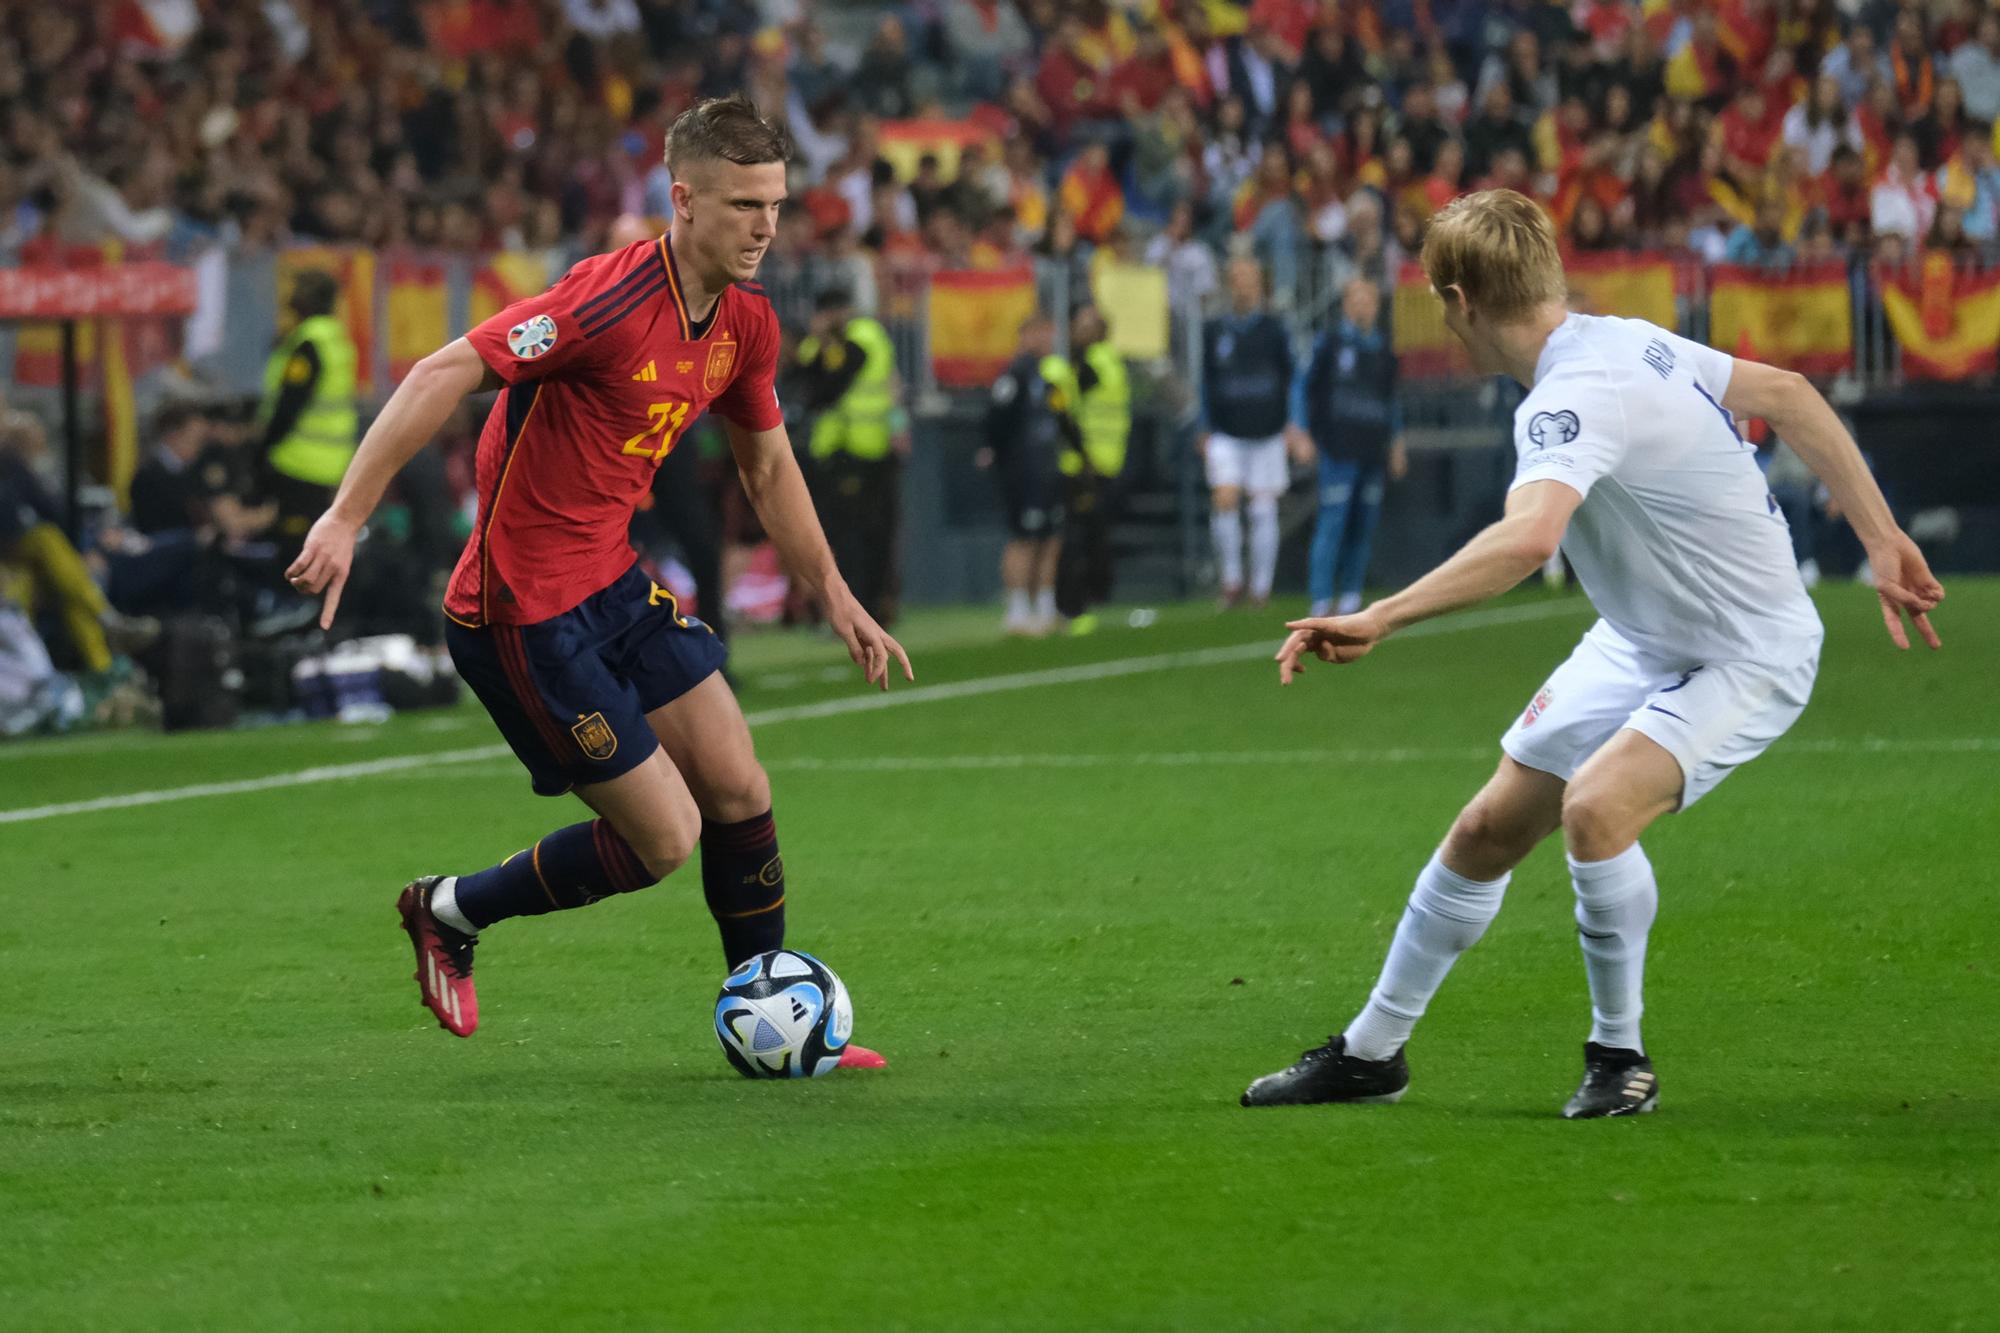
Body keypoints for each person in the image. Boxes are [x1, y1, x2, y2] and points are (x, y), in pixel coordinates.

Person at [1243, 190, 1943, 1118]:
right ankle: (1371, 1054)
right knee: (1485, 831)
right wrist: (1882, 535)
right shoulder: (1625, 339)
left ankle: (1621, 1059)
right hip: (1642, 635)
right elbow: (1789, 392)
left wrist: (1382, 614)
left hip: (1747, 650)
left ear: (1459, 301)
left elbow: (1529, 541)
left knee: (1597, 807)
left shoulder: (1571, 395)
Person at [286, 97, 908, 1066]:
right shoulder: (601, 303)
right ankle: (448, 909)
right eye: (745, 204)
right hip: (519, 613)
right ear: (683, 198)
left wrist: (832, 593)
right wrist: (344, 515)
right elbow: (442, 370)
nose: (765, 227)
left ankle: (777, 1023)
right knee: (665, 838)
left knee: (739, 782)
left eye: (776, 204)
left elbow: (768, 467)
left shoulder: (744, 322)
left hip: (611, 582)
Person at [795, 287, 907, 626]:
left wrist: (898, 424)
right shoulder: (821, 345)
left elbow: (831, 385)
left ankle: (870, 608)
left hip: (864, 450)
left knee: (866, 535)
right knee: (843, 537)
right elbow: (807, 379)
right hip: (837, 450)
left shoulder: (862, 337)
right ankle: (848, 610)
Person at [1297, 277, 1407, 618]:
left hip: (1373, 447)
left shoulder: (1385, 349)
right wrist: (1300, 430)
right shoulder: (1328, 344)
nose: (1362, 306)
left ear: (1376, 306)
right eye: (1355, 299)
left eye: (1368, 300)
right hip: (1337, 446)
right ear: (1345, 304)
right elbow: (1305, 387)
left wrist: (1397, 442)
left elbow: (1392, 401)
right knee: (1332, 520)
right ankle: (1320, 597)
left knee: (1364, 522)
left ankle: (1350, 594)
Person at [1200, 258, 1297, 609]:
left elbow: (1292, 378)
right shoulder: (1215, 330)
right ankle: (1230, 580)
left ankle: (1260, 588)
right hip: (1227, 429)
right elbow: (1206, 381)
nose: (1243, 285)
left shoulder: (1275, 329)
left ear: (1260, 285)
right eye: (1237, 278)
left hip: (1268, 430)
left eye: (1249, 279)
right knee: (1224, 499)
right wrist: (1203, 425)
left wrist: (1294, 423)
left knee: (1263, 509)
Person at [978, 312, 1071, 635]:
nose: (1047, 340)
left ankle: (1045, 608)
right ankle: (1017, 611)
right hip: (1023, 472)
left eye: (1049, 333)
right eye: (1041, 334)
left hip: (1046, 468)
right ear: (1025, 336)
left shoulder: (1043, 376)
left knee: (1051, 539)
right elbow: (995, 421)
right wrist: (1002, 459)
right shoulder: (1015, 375)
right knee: (1024, 539)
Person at [258, 269, 359, 545]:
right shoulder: (335, 337)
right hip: (331, 461)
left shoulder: (309, 344)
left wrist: (263, 447)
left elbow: (290, 404)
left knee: (291, 545)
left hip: (298, 461)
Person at [1052, 304, 1128, 631]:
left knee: (1076, 540)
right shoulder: (1113, 363)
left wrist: (1084, 457)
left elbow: (1066, 411)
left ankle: (1074, 606)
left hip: (1084, 466)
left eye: (1083, 324)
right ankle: (1084, 601)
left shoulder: (1088, 364)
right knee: (1088, 538)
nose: (1075, 329)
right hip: (1105, 463)